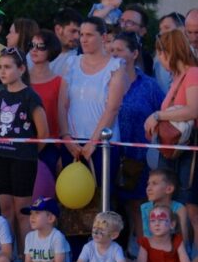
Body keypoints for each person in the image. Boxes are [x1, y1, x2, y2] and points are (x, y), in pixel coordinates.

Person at [0, 48, 48, 254]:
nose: (3, 72)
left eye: (8, 67)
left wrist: (27, 151)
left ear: (21, 69)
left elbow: (43, 133)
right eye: (0, 67)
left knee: (23, 212)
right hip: (1, 157)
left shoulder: (30, 96)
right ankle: (7, 256)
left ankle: (25, 256)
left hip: (23, 160)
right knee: (5, 209)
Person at [144, 29, 198, 248]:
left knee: (191, 208)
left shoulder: (193, 74)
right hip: (174, 151)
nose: (159, 60)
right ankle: (183, 259)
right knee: (177, 207)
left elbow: (193, 110)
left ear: (170, 52)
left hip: (189, 150)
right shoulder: (176, 79)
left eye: (161, 53)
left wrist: (158, 115)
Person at [109, 32, 164, 249]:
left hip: (141, 157)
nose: (115, 55)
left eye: (120, 50)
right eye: (112, 50)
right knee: (112, 205)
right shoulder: (106, 81)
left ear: (134, 53)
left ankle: (147, 254)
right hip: (112, 153)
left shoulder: (149, 86)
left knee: (140, 207)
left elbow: (163, 113)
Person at [62, 17, 126, 195]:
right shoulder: (71, 63)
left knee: (101, 198)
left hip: (103, 144)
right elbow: (63, 104)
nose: (83, 39)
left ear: (103, 37)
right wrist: (66, 137)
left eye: (89, 35)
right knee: (72, 199)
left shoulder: (115, 66)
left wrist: (93, 143)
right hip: (73, 143)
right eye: (81, 34)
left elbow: (112, 108)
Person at [0, 197, 69, 262]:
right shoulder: (29, 236)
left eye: (37, 213)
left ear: (50, 218)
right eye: (31, 213)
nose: (32, 217)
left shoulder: (57, 237)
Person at [130, 204, 197, 262]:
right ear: (149, 225)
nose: (157, 224)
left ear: (172, 224)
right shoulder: (145, 242)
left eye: (161, 220)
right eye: (152, 221)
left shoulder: (177, 240)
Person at [28, 30, 69, 176]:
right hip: (23, 145)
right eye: (32, 45)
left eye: (40, 46)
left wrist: (60, 150)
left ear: (50, 50)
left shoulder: (59, 82)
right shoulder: (21, 79)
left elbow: (61, 117)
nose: (34, 50)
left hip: (50, 147)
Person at [140, 168, 189, 247]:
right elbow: (146, 237)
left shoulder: (179, 208)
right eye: (148, 184)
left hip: (176, 250)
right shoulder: (145, 208)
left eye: (154, 183)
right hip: (153, 250)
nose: (148, 188)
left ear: (169, 189)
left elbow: (183, 239)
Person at [118, 5, 155, 75]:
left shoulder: (146, 59)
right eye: (121, 21)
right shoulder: (106, 50)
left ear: (142, 31)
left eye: (130, 23)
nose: (123, 26)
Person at [51, 8, 83, 78]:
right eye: (73, 31)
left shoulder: (83, 57)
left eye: (79, 32)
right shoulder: (38, 54)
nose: (77, 37)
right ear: (58, 29)